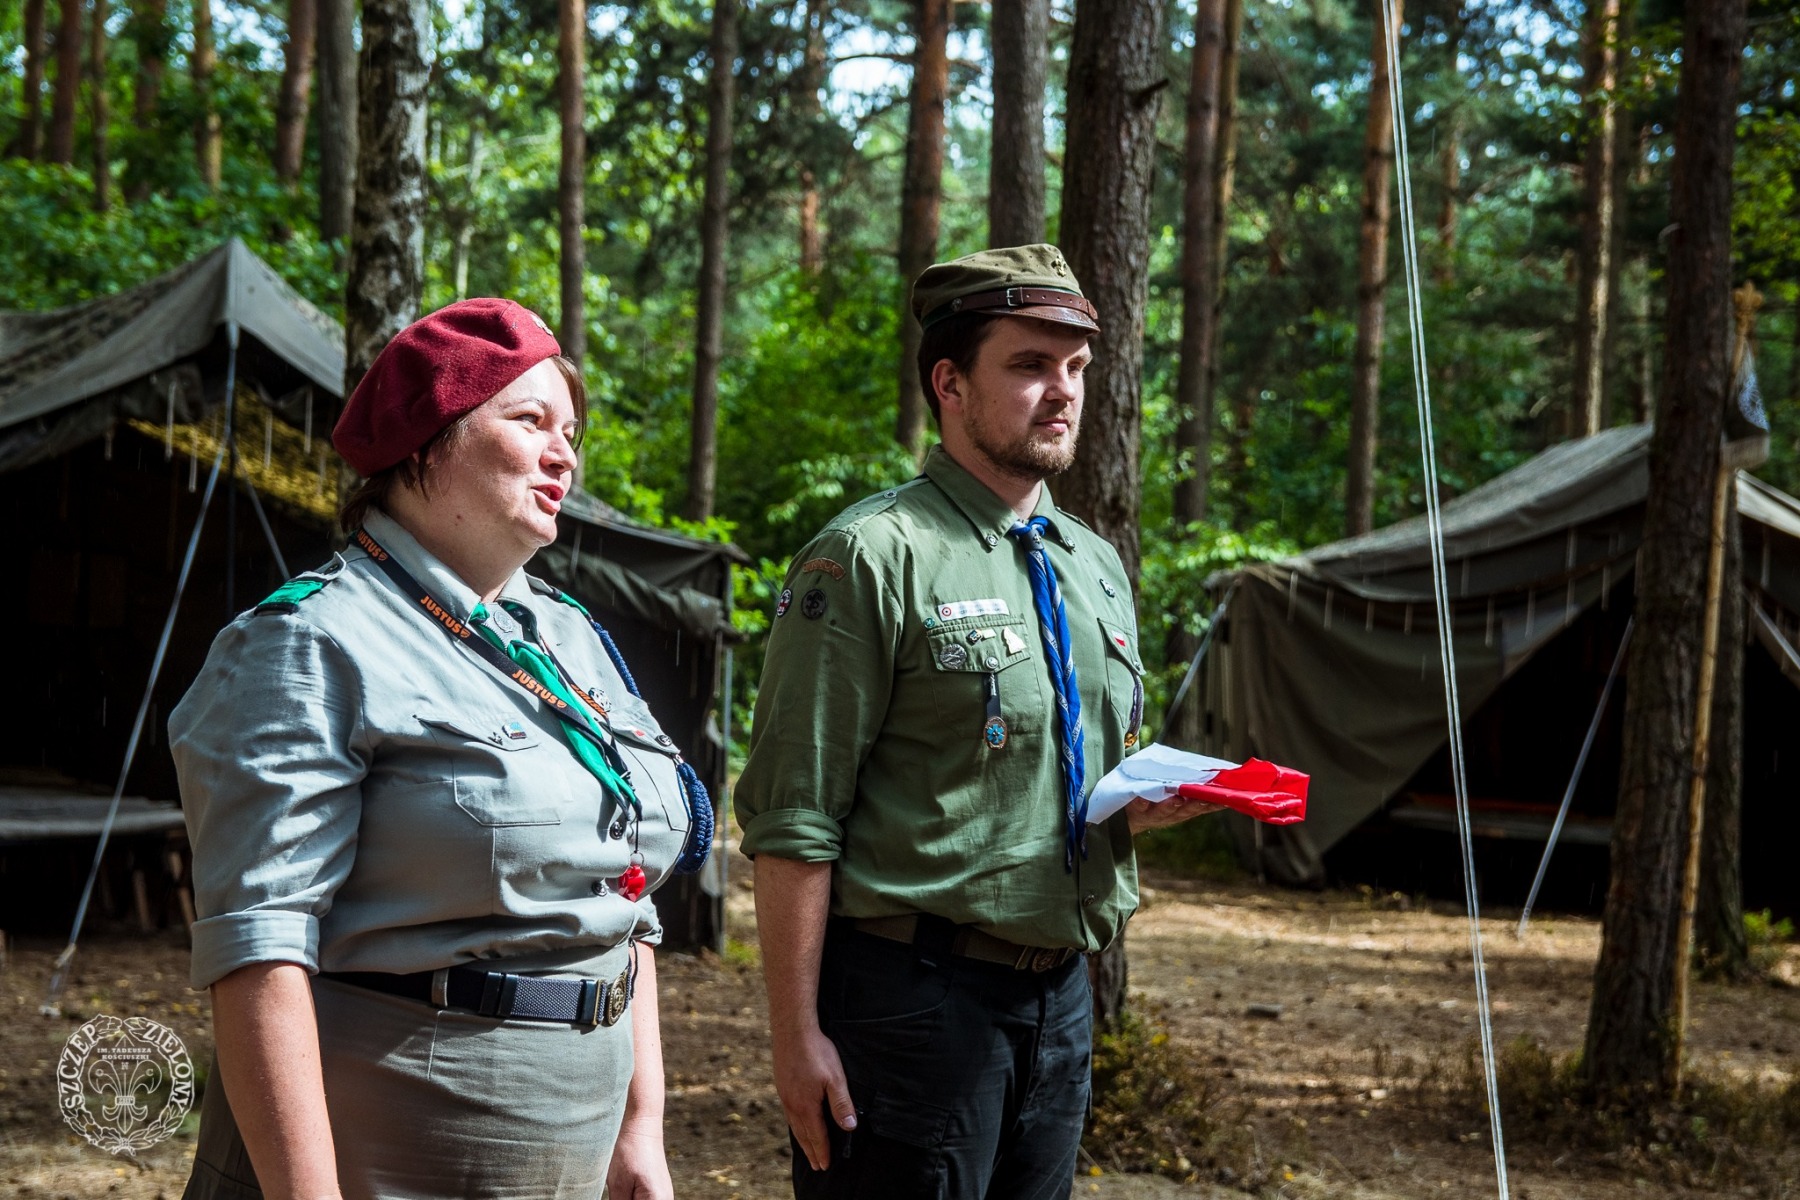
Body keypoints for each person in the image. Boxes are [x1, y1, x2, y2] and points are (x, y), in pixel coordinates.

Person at [173, 298, 694, 1200]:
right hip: (390, 1151)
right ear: (426, 442)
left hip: (576, 1148)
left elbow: (626, 893)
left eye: (571, 432)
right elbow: (259, 951)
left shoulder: (567, 635)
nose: (564, 454)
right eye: (529, 421)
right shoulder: (311, 641)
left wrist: (641, 1124)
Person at [734, 245, 1218, 1200]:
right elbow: (794, 817)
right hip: (912, 1004)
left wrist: (1133, 806)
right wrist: (796, 1037)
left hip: (1060, 1002)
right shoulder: (870, 556)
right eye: (1030, 364)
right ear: (949, 384)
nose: (1063, 390)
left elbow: (1052, 771)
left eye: (1076, 366)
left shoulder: (1090, 564)